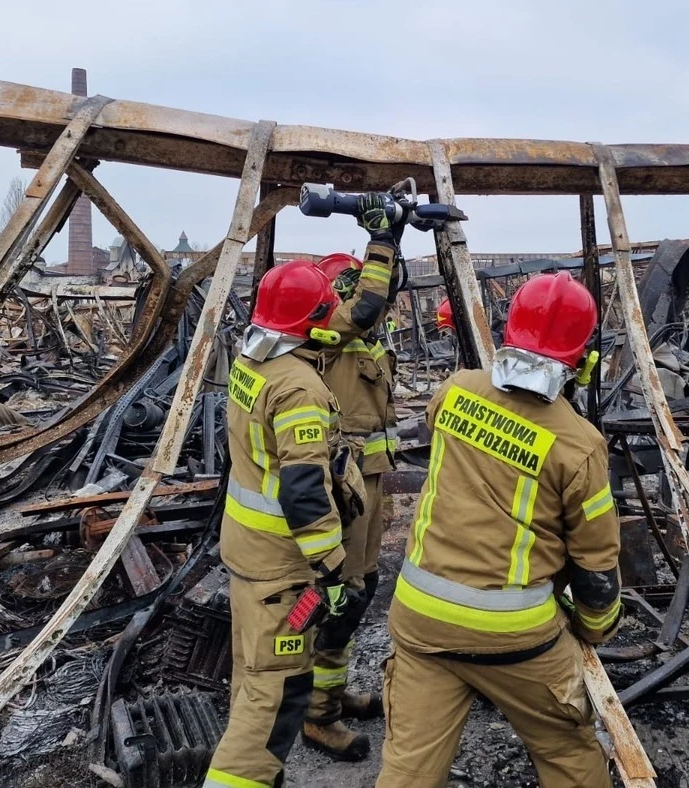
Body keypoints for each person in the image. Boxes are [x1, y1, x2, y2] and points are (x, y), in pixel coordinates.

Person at [376, 272, 622, 788]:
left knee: (409, 768)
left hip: (420, 618)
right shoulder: (579, 445)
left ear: (508, 332)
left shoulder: (454, 391)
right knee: (566, 749)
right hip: (514, 635)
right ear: (582, 358)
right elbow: (596, 565)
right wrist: (595, 628)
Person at [204, 259, 361, 788]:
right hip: (281, 567)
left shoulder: (252, 360)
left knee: (253, 678)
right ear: (314, 318)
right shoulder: (297, 387)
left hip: (246, 553)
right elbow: (303, 489)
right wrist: (332, 568)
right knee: (276, 695)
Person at [303, 200, 405, 760]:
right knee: (336, 600)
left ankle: (333, 693)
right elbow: (366, 305)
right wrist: (381, 240)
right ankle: (317, 716)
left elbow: (380, 299)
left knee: (360, 592)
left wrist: (397, 238)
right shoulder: (330, 334)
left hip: (370, 485)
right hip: (343, 490)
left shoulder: (364, 341)